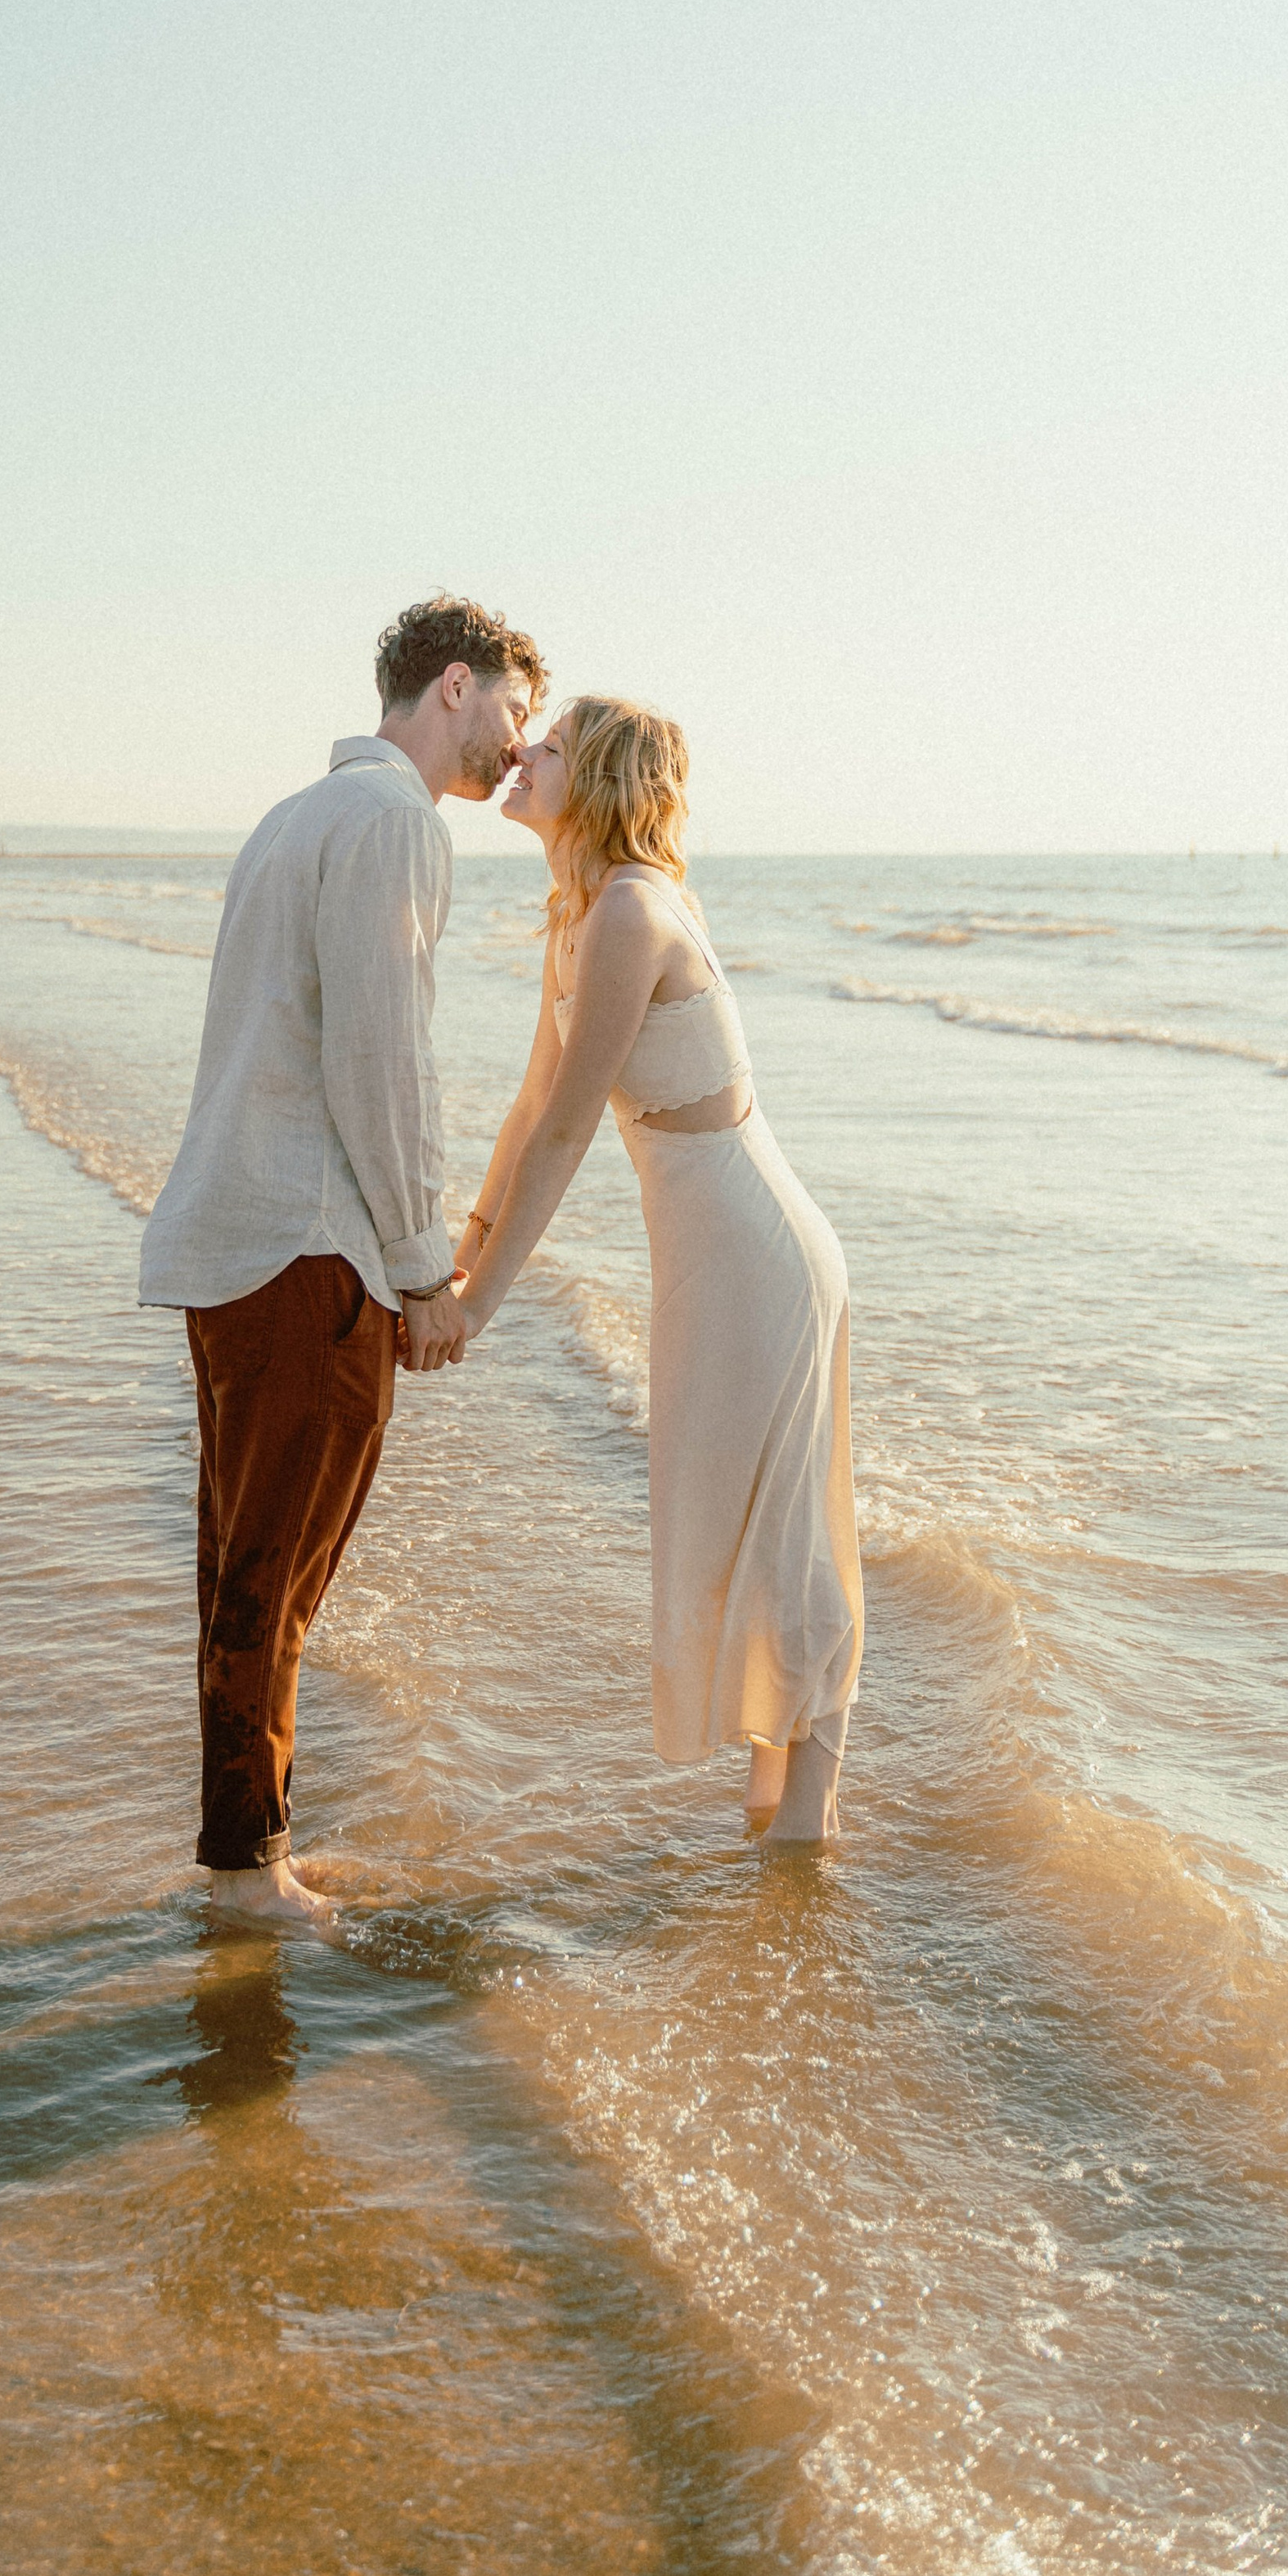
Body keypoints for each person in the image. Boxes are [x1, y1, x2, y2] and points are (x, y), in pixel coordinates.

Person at [139, 595, 547, 1924]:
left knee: (246, 1573)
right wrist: (425, 1272)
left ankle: (238, 1849)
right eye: (511, 710)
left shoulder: (293, 818)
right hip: (310, 1250)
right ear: (451, 687)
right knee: (278, 1580)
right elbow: (384, 1064)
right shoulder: (389, 824)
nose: (514, 741)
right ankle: (246, 1871)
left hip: (236, 1237)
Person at [451, 698, 862, 1842]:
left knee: (785, 1529)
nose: (520, 755)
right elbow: (532, 1104)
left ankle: (806, 1811)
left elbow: (573, 1130)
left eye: (547, 749)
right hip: (708, 1253)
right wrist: (463, 1250)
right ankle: (777, 1796)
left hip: (756, 1252)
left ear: (600, 782)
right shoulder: (579, 913)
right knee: (732, 1512)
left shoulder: (631, 912)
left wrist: (477, 1306)